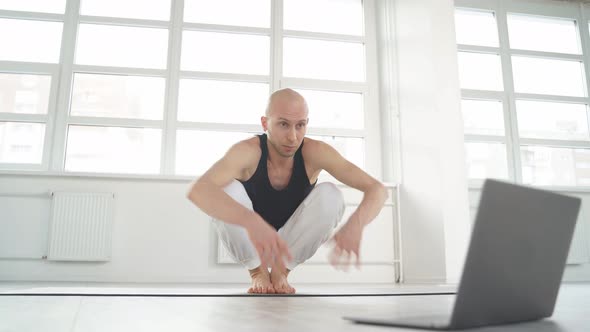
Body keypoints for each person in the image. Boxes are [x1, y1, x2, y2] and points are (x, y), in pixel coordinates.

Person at [187, 88, 388, 294]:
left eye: (300, 125)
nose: (293, 137)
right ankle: (257, 271)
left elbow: (377, 189)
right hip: (250, 236)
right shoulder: (247, 151)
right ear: (265, 123)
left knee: (331, 194)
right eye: (283, 124)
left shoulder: (315, 152)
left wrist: (356, 225)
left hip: (291, 235)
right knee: (226, 188)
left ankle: (280, 270)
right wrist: (252, 222)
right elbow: (198, 190)